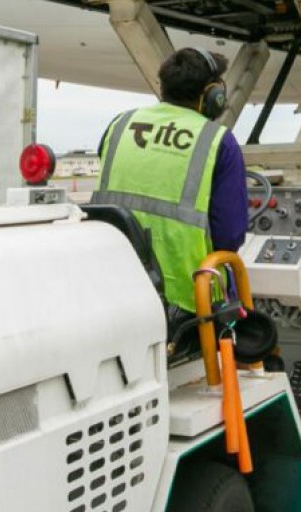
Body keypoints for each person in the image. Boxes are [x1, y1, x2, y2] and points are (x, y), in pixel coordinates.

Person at [93, 48, 250, 313]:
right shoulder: (216, 141)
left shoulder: (120, 125)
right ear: (213, 95)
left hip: (114, 286)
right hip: (186, 299)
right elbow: (229, 235)